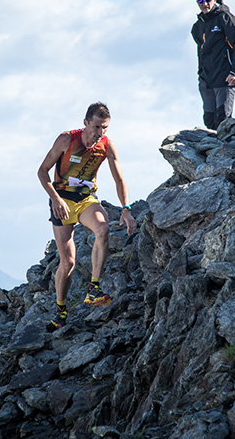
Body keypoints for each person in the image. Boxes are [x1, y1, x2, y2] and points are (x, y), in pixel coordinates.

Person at [37, 102, 137, 331]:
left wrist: (126, 208)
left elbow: (119, 179)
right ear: (85, 123)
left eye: (105, 128)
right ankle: (61, 312)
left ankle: (94, 289)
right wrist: (55, 199)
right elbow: (42, 172)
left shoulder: (106, 145)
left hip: (85, 199)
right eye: (96, 127)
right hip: (61, 200)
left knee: (103, 229)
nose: (99, 133)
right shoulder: (66, 140)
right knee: (68, 262)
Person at [191, 0, 235, 130]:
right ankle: (213, 151)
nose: (204, 4)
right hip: (207, 79)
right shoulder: (198, 26)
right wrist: (201, 75)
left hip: (225, 76)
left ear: (215, 0)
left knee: (223, 120)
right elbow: (201, 52)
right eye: (200, 1)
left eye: (208, 0)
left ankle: (229, 150)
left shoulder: (225, 17)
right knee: (209, 121)